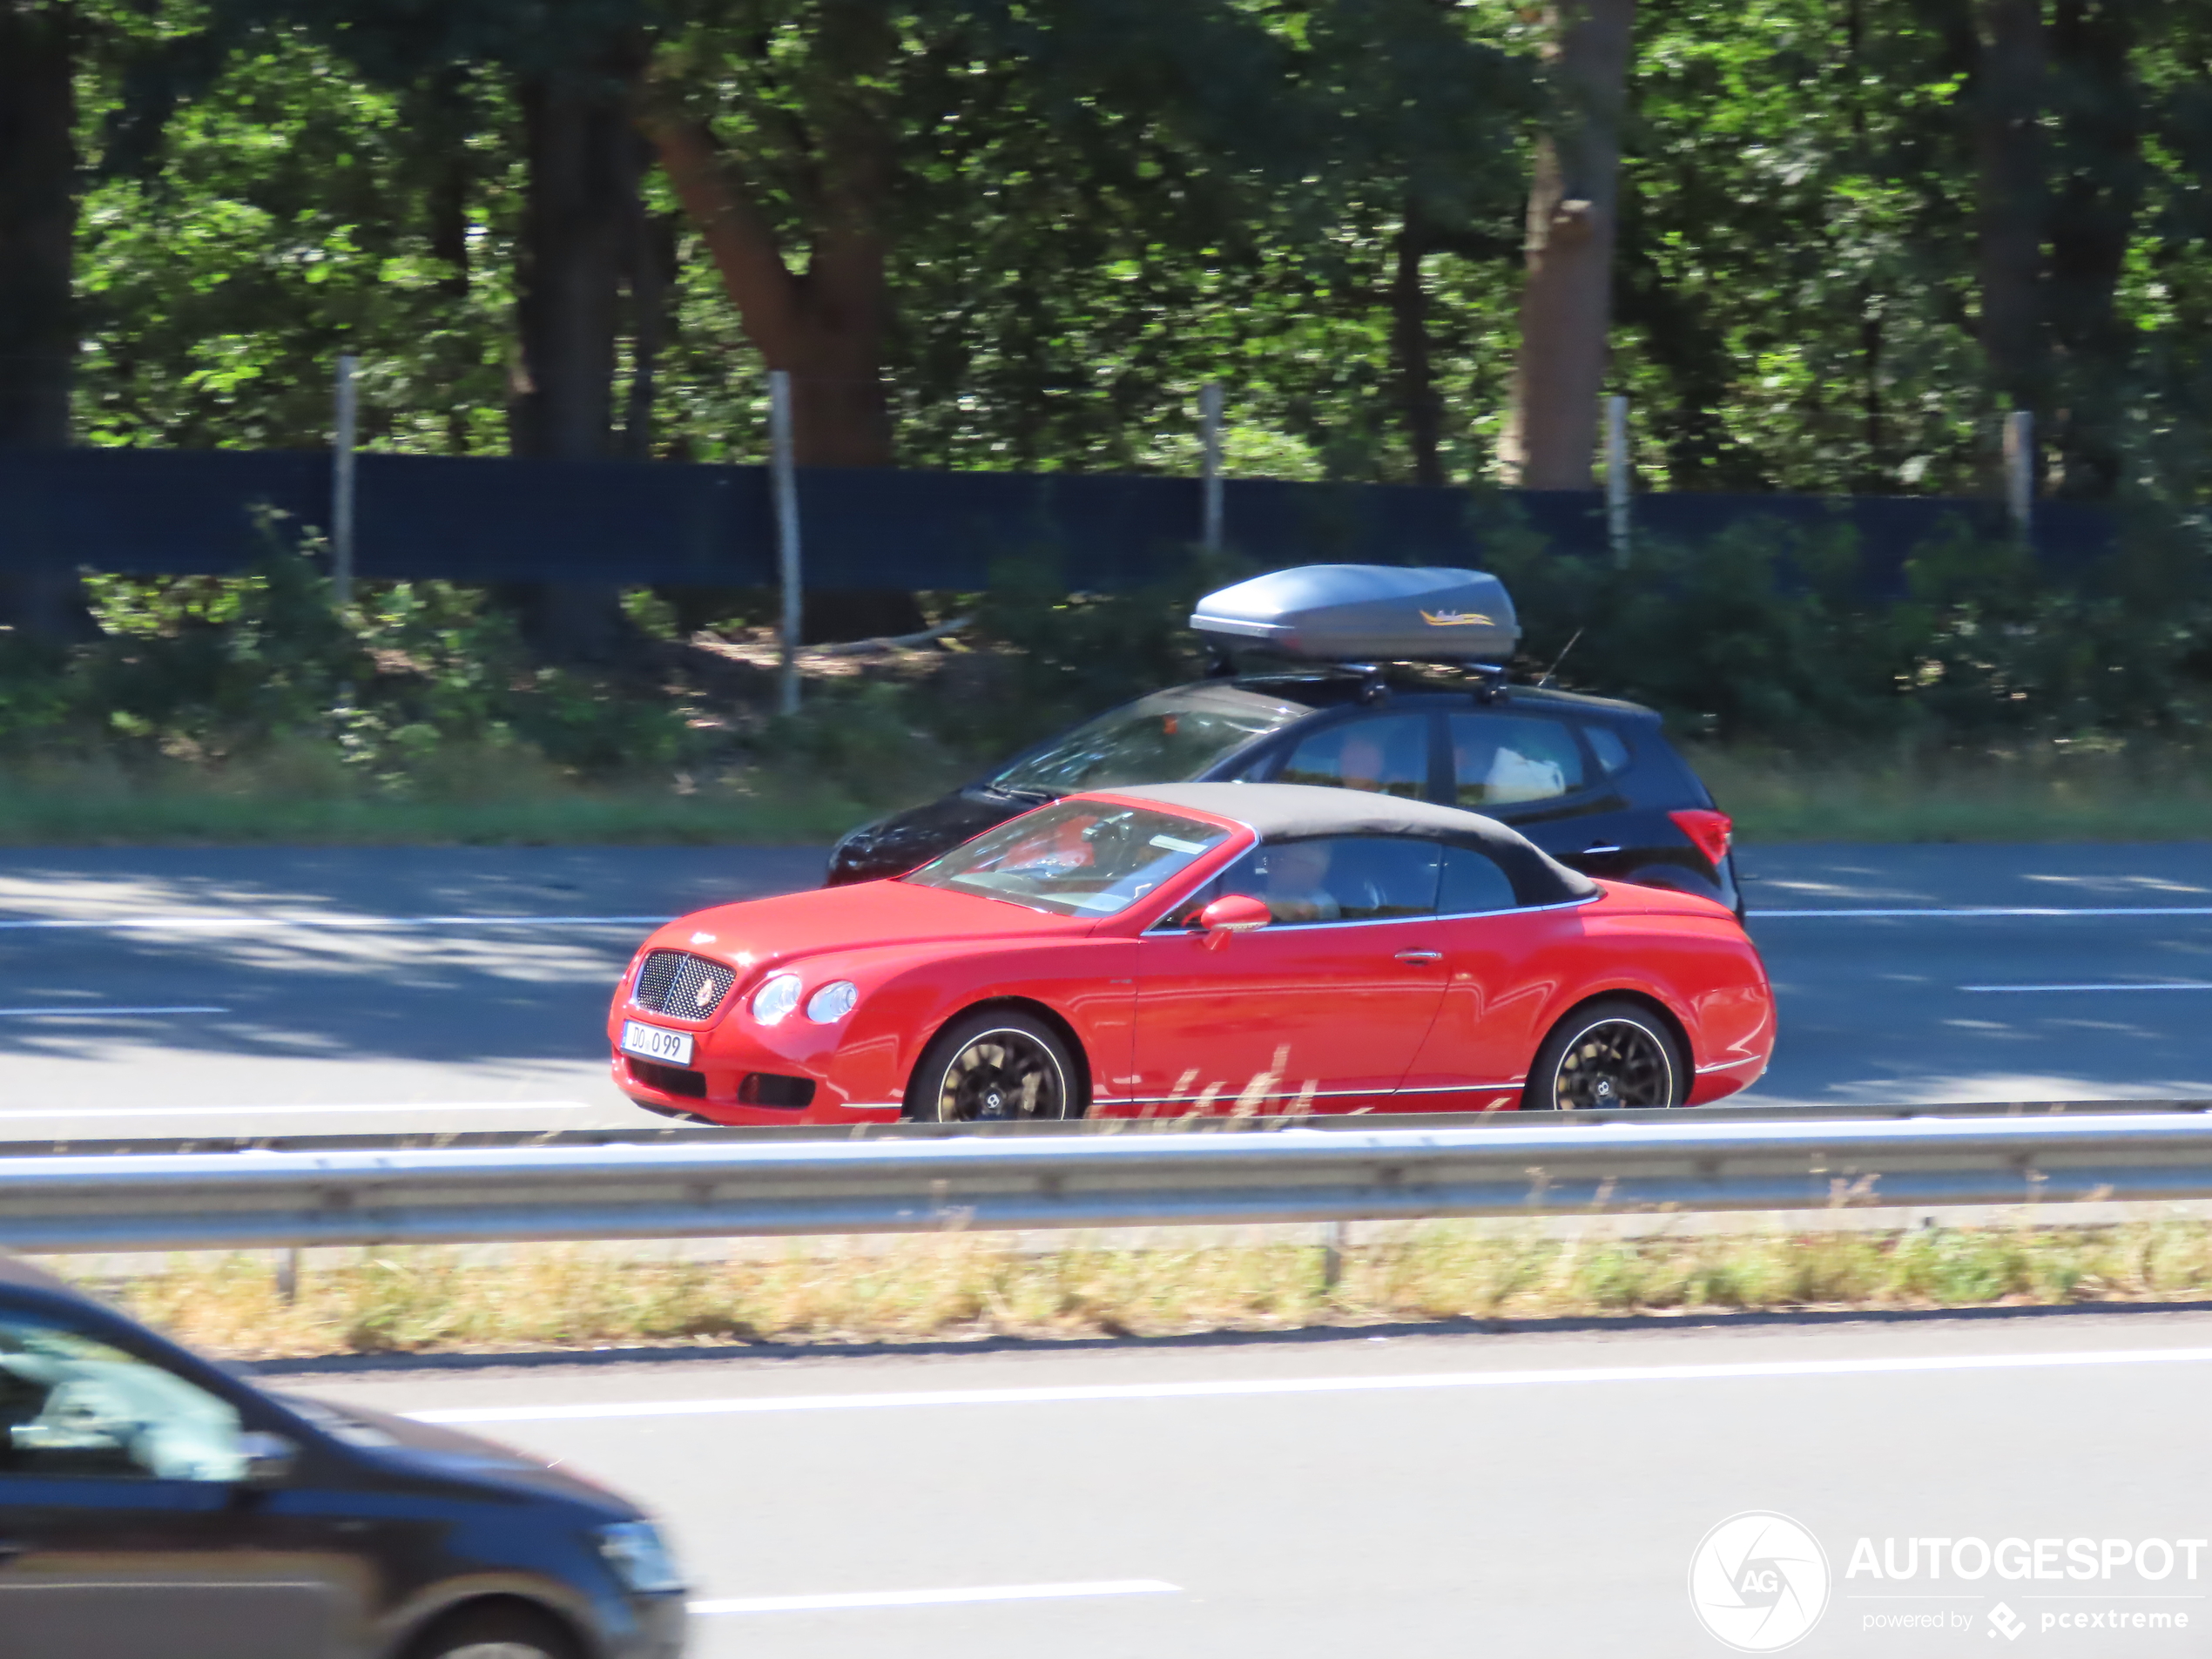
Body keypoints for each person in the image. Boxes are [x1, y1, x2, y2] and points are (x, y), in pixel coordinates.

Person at [1260, 840, 1339, 923]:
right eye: (1269, 859)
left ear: (1307, 869)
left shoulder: (1323, 901)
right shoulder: (1267, 893)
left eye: (1279, 860)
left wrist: (1257, 904)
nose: (1269, 867)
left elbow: (1300, 911)